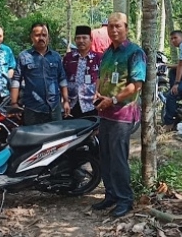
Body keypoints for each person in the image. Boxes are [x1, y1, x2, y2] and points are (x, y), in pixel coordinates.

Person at [92, 12, 146, 218]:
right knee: (104, 156)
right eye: (111, 26)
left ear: (126, 28)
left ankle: (125, 199)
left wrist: (112, 100)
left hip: (122, 115)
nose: (114, 30)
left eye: (118, 26)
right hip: (104, 114)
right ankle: (111, 195)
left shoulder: (134, 53)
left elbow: (136, 85)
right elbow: (100, 77)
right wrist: (97, 93)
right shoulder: (108, 53)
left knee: (118, 158)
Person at [10, 22, 70, 125]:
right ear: (32, 37)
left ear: (48, 37)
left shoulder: (55, 57)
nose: (41, 38)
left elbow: (62, 79)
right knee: (34, 140)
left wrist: (66, 101)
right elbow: (16, 80)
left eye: (44, 35)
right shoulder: (24, 56)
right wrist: (14, 103)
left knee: (57, 139)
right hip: (32, 108)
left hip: (54, 107)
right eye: (37, 35)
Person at [63, 25, 103, 118]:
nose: (81, 41)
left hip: (92, 104)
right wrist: (64, 99)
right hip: (71, 103)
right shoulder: (68, 58)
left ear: (91, 39)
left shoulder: (99, 58)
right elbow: (63, 78)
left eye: (84, 38)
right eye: (78, 38)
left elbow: (102, 78)